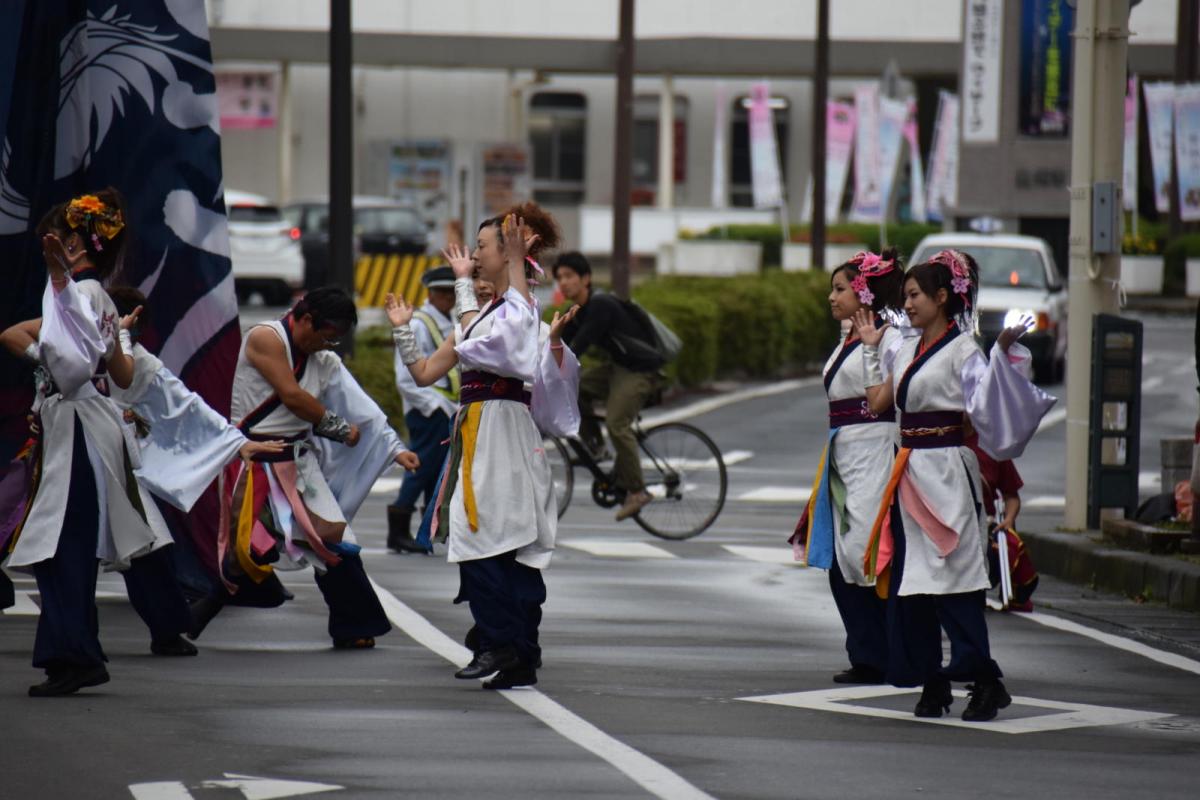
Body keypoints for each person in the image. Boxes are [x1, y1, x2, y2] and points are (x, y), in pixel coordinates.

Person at [855, 249, 1055, 722]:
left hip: (947, 470)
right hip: (907, 471)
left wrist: (1002, 349)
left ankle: (984, 680)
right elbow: (879, 401)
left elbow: (982, 410)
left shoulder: (964, 349)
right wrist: (868, 347)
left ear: (943, 297)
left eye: (915, 295)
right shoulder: (906, 346)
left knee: (956, 578)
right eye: (905, 295)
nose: (907, 304)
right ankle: (932, 679)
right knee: (912, 581)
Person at [386, 202, 564, 689]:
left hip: (503, 429)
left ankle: (504, 644)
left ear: (506, 252)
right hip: (480, 429)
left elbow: (509, 341)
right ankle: (514, 650)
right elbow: (425, 371)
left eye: (483, 246)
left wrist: (502, 267)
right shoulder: (489, 314)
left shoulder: (519, 311)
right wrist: (403, 328)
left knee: (492, 538)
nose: (475, 256)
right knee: (490, 536)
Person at [0, 188, 163, 696]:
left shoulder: (78, 293)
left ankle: (76, 655)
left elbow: (69, 370)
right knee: (64, 549)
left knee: (62, 549)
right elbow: (118, 370)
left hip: (74, 428)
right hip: (82, 426)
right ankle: (72, 652)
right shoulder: (100, 298)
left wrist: (56, 286)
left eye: (55, 239)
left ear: (72, 242)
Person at [215, 287, 419, 649]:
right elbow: (292, 396)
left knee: (333, 540)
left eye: (335, 341)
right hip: (254, 461)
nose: (327, 346)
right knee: (245, 553)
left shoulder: (324, 358)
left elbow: (363, 408)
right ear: (306, 319)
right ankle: (183, 616)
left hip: (298, 465)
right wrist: (340, 429)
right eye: (326, 337)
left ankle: (354, 625)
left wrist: (394, 447)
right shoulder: (265, 337)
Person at [105, 286, 284, 655]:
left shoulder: (135, 361)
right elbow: (16, 336)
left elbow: (187, 404)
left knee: (143, 548)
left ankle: (164, 629)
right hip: (71, 454)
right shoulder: (76, 343)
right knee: (69, 550)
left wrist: (236, 443)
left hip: (108, 461)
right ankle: (80, 642)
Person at [795, 249, 904, 686]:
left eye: (839, 288)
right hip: (843, 452)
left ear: (863, 293)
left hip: (876, 449)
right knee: (841, 556)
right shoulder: (849, 339)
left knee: (869, 550)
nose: (830, 296)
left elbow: (896, 392)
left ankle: (889, 651)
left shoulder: (890, 339)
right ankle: (866, 653)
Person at [553, 251, 664, 522]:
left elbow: (577, 346)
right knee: (575, 386)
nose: (563, 283)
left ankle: (637, 492)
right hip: (619, 368)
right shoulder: (576, 312)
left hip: (640, 370)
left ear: (586, 278)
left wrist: (552, 369)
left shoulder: (600, 305)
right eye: (559, 278)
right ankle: (597, 447)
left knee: (617, 424)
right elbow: (558, 344)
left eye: (569, 276)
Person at [387, 265, 459, 554]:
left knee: (436, 470)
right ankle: (399, 528)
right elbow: (405, 377)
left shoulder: (448, 320)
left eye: (451, 292)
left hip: (446, 408)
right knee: (421, 466)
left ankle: (426, 530)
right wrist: (434, 408)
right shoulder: (418, 323)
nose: (448, 298)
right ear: (430, 293)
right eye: (441, 292)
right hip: (428, 410)